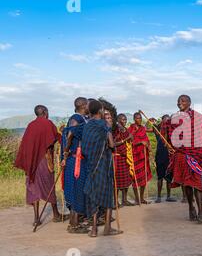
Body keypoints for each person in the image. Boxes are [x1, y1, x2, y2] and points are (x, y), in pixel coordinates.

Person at [15, 105, 65, 227]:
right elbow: (56, 139)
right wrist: (65, 133)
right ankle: (56, 214)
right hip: (44, 160)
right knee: (49, 186)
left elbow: (25, 146)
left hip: (32, 162)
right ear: (45, 112)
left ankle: (36, 218)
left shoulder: (30, 126)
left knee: (34, 188)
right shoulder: (48, 123)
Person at [82, 99, 122, 237]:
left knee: (93, 194)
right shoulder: (103, 125)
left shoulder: (87, 125)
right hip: (104, 163)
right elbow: (111, 144)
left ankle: (93, 230)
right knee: (108, 193)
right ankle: (107, 228)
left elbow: (85, 147)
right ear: (100, 111)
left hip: (90, 164)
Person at [167, 95, 202, 224]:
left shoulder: (197, 117)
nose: (180, 103)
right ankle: (191, 208)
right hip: (182, 155)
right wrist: (170, 146)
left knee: (197, 184)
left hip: (195, 155)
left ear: (190, 103)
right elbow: (170, 137)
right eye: (178, 101)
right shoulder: (174, 119)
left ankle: (201, 213)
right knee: (187, 184)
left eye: (183, 101)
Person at [60, 97, 90, 234]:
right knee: (76, 190)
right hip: (75, 159)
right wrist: (65, 153)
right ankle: (73, 225)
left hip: (79, 158)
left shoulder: (82, 118)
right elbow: (70, 133)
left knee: (79, 190)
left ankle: (76, 222)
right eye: (88, 104)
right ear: (84, 105)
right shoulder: (76, 118)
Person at [128, 113, 153, 205]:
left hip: (143, 156)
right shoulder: (131, 128)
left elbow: (146, 139)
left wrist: (149, 146)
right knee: (135, 178)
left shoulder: (143, 128)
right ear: (134, 119)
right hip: (135, 156)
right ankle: (137, 198)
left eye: (140, 118)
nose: (139, 119)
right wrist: (140, 142)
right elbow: (129, 141)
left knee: (144, 178)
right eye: (137, 118)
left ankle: (142, 198)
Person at [113, 114, 134, 207]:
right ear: (118, 120)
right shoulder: (115, 130)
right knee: (117, 181)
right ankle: (115, 202)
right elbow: (113, 144)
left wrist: (130, 137)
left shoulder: (125, 129)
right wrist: (126, 139)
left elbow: (130, 140)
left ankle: (124, 200)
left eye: (125, 119)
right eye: (122, 119)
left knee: (127, 179)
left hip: (126, 158)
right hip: (117, 157)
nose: (124, 121)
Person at [155, 115, 176, 203]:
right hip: (160, 157)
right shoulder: (158, 131)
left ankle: (168, 196)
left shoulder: (172, 132)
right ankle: (159, 197)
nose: (167, 121)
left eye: (168, 120)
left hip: (169, 157)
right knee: (160, 178)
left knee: (168, 178)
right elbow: (152, 126)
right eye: (165, 120)